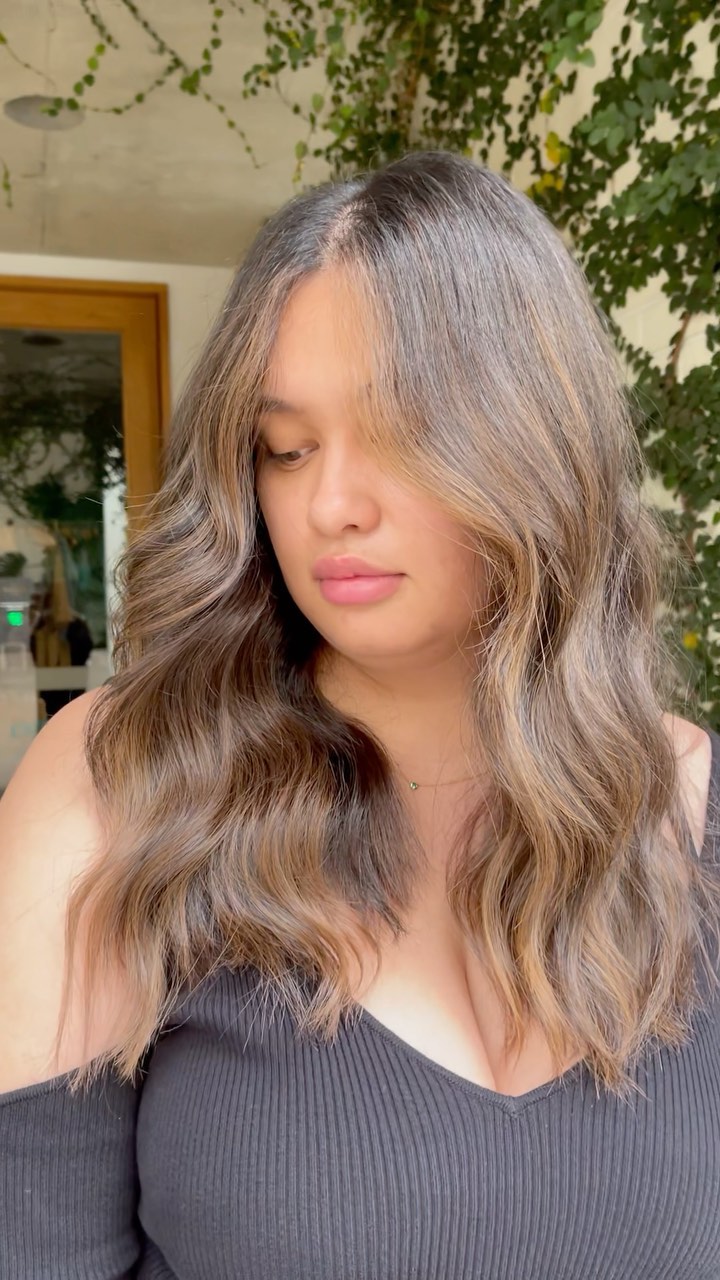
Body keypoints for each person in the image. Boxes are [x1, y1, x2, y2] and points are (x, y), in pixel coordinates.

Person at [1, 149, 719, 1280]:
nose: (329, 503)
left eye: (397, 432)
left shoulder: (693, 811)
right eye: (285, 450)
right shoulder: (115, 787)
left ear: (535, 443)